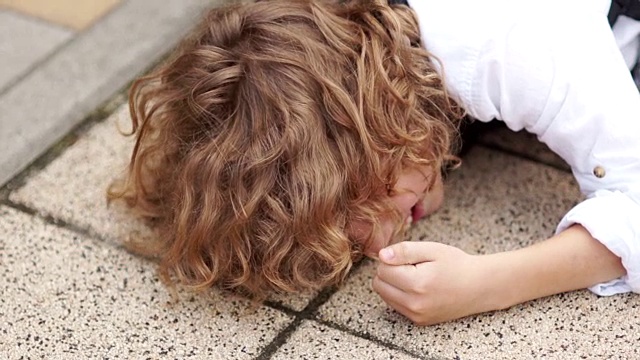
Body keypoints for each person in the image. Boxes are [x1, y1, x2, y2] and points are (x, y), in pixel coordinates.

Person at [109, 0, 640, 325]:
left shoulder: (512, 39)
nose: (378, 245)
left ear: (370, 139)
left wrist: (487, 284)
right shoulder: (343, 43)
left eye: (355, 212)